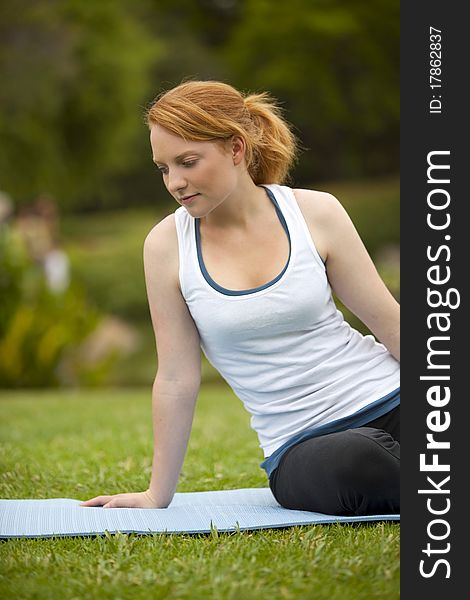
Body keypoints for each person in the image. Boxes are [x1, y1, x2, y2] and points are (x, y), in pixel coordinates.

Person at [81, 80, 400, 516]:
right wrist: (158, 494)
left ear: (236, 149)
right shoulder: (166, 246)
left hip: (389, 396)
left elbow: (389, 322)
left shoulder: (315, 213)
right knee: (361, 461)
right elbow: (176, 378)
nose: (174, 182)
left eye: (187, 162)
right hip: (304, 445)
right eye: (163, 168)